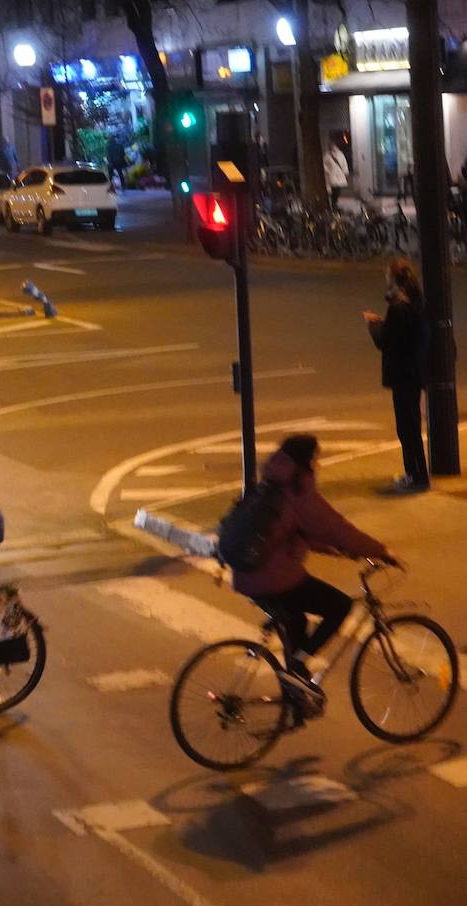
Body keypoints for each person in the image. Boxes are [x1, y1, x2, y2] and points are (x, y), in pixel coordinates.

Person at [231, 435, 398, 707]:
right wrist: (381, 551)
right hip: (275, 579)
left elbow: (290, 531)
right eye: (315, 458)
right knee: (340, 606)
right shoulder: (299, 491)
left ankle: (294, 698)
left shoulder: (269, 485)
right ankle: (297, 666)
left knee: (296, 622)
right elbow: (336, 527)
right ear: (307, 461)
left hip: (246, 575)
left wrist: (331, 549)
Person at [364, 258, 429, 492]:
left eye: (387, 277)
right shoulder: (414, 301)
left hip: (403, 374)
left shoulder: (399, 306)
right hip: (413, 372)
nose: (386, 280)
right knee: (410, 426)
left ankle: (415, 475)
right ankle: (417, 474)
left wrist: (374, 325)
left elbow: (387, 341)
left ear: (394, 278)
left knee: (406, 427)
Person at [323, 140, 349, 209]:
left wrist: (345, 171)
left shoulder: (340, 154)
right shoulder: (327, 155)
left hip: (340, 175)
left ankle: (334, 202)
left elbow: (344, 163)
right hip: (332, 175)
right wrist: (328, 171)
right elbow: (324, 165)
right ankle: (333, 203)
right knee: (333, 189)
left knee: (338, 189)